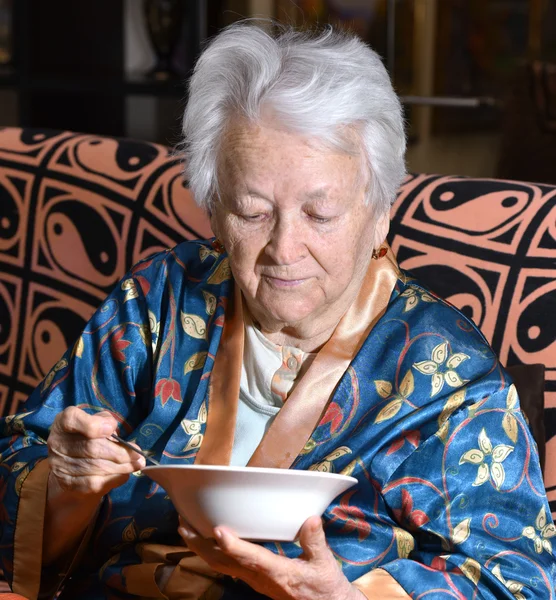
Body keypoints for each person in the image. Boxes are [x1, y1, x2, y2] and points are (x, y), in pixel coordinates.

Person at [0, 22, 555, 600]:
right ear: (214, 210)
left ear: (380, 213)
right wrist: (66, 484)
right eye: (252, 211)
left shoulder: (445, 370)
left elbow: (519, 581)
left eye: (320, 215)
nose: (284, 250)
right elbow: (22, 468)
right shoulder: (159, 299)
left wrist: (349, 599)